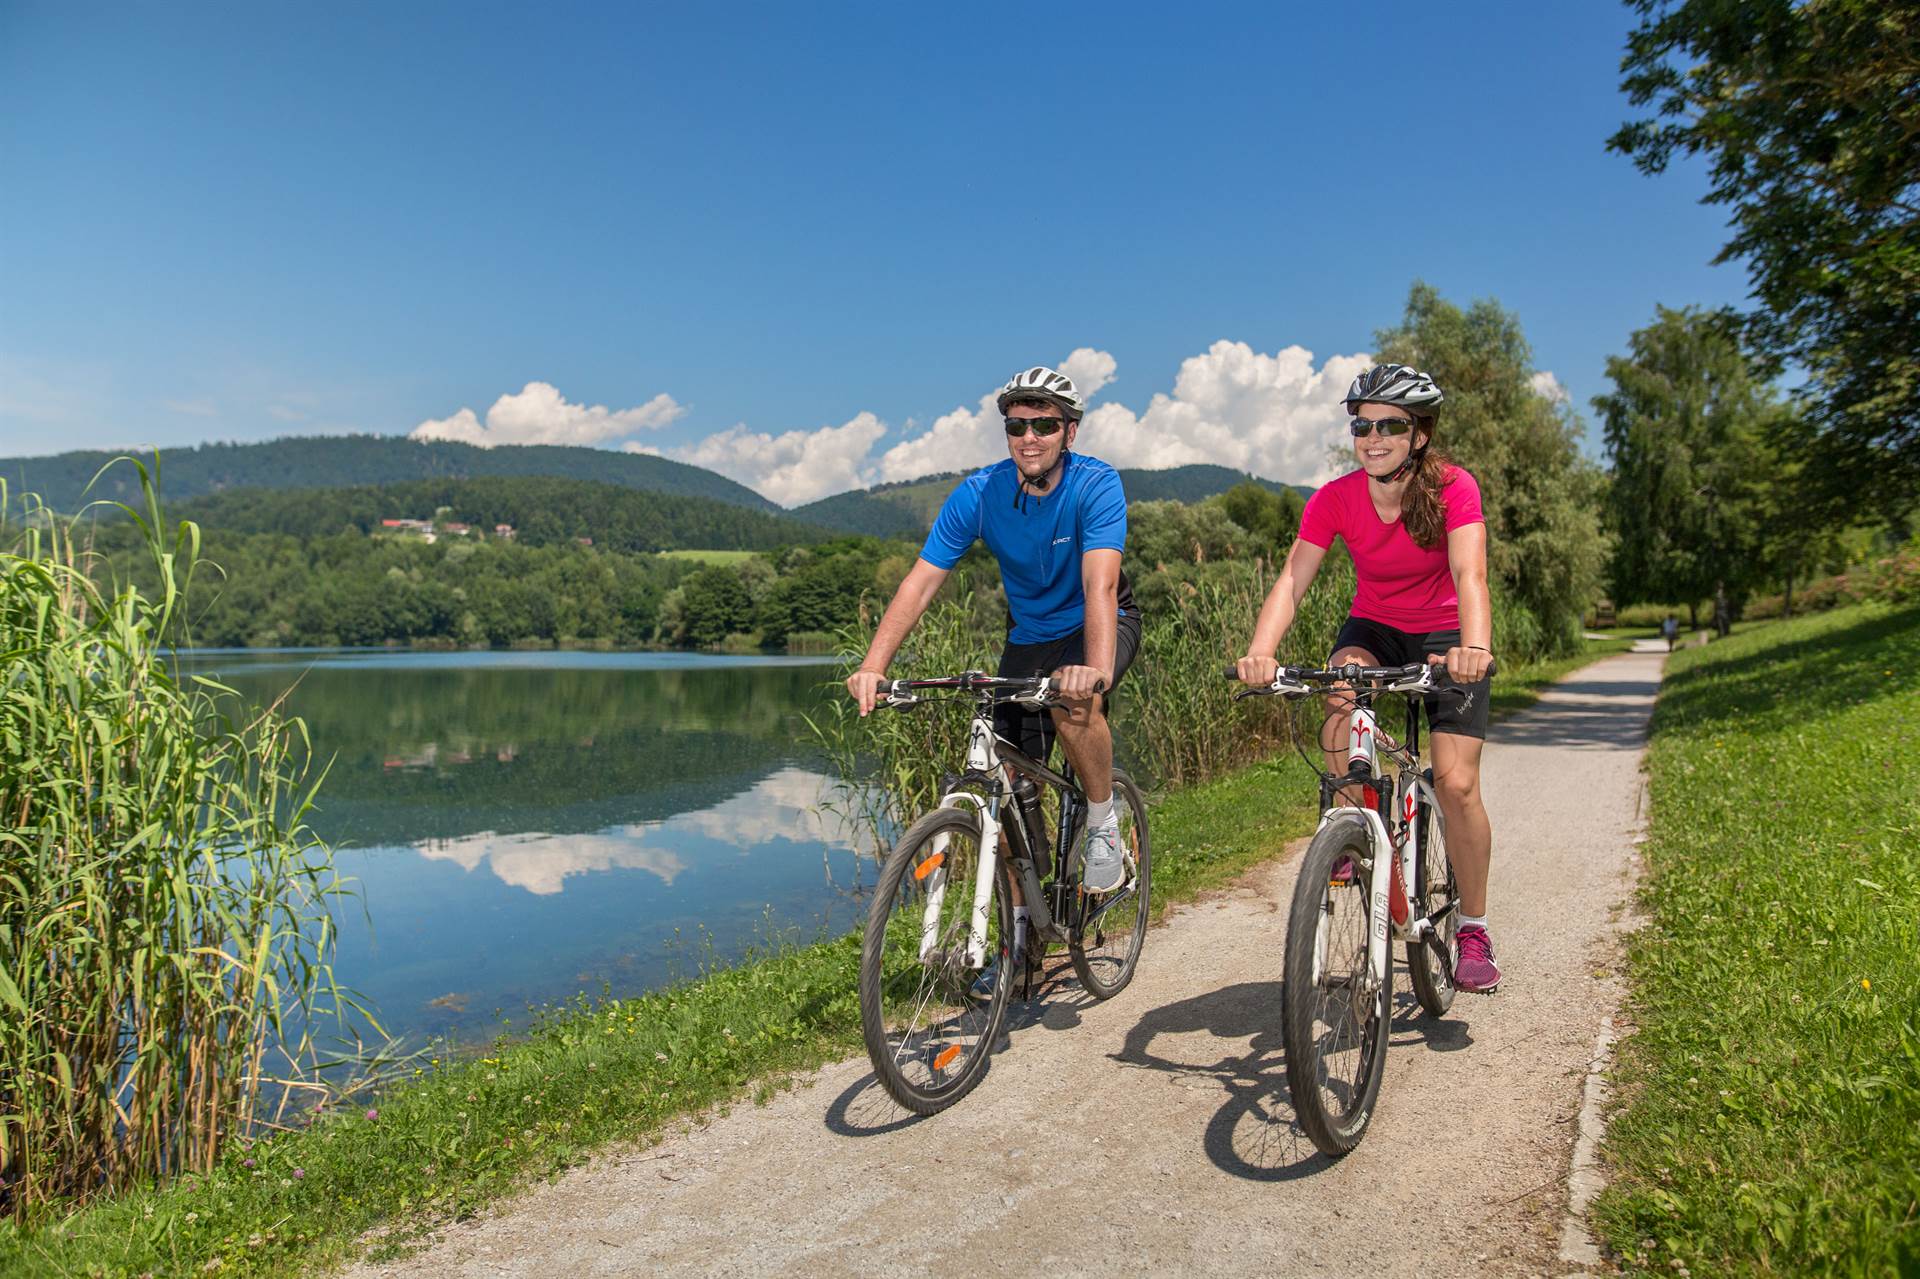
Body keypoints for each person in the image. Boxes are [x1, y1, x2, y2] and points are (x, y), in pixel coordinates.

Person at [847, 366, 1143, 983]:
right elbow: (921, 581)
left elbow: (1101, 585)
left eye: (1044, 424)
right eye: (1017, 425)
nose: (1029, 436)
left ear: (1070, 429)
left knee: (1072, 707)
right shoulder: (980, 493)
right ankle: (1021, 941)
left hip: (1099, 621)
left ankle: (1102, 817)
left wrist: (1093, 670)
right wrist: (875, 665)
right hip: (1029, 637)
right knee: (1003, 784)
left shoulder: (1096, 484)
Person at [1232, 363, 1501, 992]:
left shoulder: (1454, 488)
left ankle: (1474, 927)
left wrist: (1474, 646)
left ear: (1420, 434)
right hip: (1375, 628)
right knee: (1340, 690)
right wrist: (1260, 651)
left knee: (1458, 784)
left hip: (1444, 634)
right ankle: (1355, 831)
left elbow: (1471, 578)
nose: (1372, 437)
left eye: (1389, 425)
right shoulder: (1335, 498)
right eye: (1362, 425)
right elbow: (1294, 581)